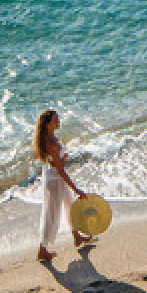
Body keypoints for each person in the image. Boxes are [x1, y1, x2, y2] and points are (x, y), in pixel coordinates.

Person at [33, 108, 92, 263]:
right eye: (55, 120)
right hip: (54, 180)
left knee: (69, 205)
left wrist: (61, 159)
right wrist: (77, 189)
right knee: (51, 214)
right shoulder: (50, 142)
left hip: (54, 176)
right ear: (47, 124)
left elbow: (56, 163)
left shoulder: (51, 137)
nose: (58, 122)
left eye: (58, 119)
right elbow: (60, 170)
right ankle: (42, 250)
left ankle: (77, 237)